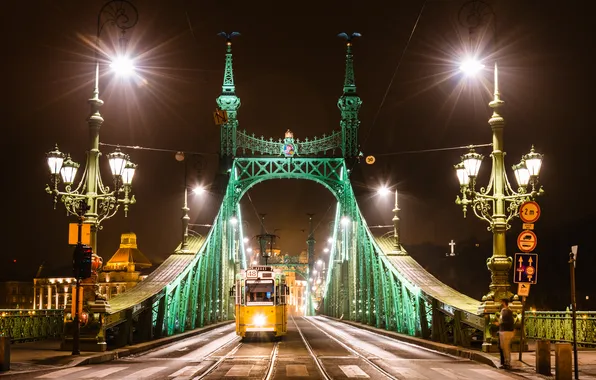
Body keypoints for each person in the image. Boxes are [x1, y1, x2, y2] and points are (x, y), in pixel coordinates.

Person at [497, 298, 515, 369]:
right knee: (503, 347)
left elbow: (507, 322)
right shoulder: (504, 311)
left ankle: (507, 363)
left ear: (504, 302)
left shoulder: (507, 311)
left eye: (501, 302)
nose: (501, 303)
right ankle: (505, 363)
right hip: (503, 331)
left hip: (506, 331)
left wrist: (500, 323)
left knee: (506, 347)